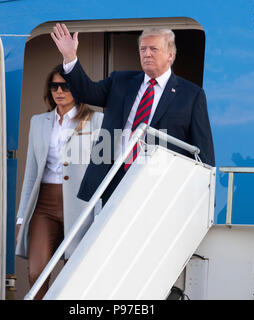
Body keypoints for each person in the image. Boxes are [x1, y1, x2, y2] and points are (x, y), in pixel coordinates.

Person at [51, 23, 215, 203]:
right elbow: (87, 92)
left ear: (170, 55)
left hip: (159, 183)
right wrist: (70, 57)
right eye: (142, 49)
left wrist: (203, 196)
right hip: (114, 178)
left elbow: (203, 149)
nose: (147, 54)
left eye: (153, 49)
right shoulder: (120, 81)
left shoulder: (191, 94)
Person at [15, 65, 103, 299]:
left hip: (80, 204)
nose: (59, 91)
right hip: (43, 204)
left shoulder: (97, 120)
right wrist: (22, 217)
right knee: (36, 271)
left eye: (65, 86)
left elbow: (103, 169)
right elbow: (31, 173)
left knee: (75, 271)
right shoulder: (39, 122)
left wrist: (101, 213)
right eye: (54, 86)